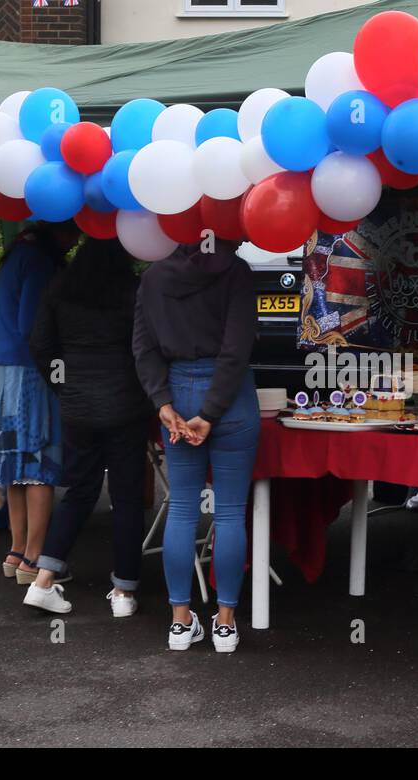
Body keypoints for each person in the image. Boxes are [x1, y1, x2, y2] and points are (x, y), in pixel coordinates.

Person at [133, 240, 258, 652]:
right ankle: (224, 624)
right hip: (232, 398)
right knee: (230, 512)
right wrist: (214, 410)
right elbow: (237, 349)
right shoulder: (236, 272)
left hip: (179, 393)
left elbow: (143, 348)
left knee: (183, 509)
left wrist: (163, 403)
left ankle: (180, 622)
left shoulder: (151, 277)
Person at [22, 238, 153, 616]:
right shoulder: (132, 290)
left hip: (77, 407)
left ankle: (43, 580)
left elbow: (40, 345)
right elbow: (145, 347)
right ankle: (124, 593)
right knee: (126, 498)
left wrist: (62, 385)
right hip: (126, 404)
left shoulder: (60, 287)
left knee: (80, 491)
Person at [0, 221, 80, 585]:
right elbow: (32, 325)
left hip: (1, 370)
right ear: (57, 231)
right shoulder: (39, 262)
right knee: (38, 466)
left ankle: (16, 551)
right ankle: (35, 558)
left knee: (15, 465)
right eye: (72, 234)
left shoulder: (17, 253)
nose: (74, 242)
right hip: (29, 372)